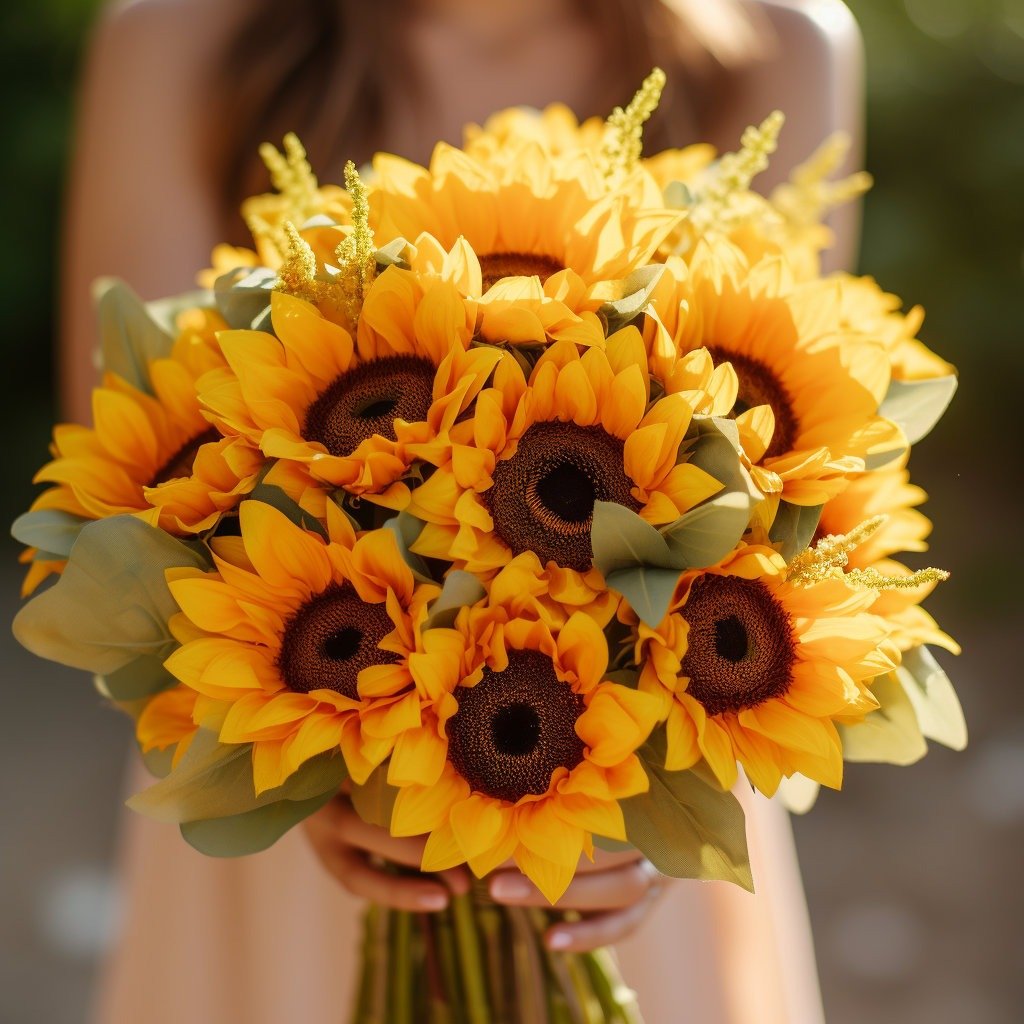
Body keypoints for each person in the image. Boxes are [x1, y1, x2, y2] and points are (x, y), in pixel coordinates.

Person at [63, 1, 864, 1020]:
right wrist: (310, 780)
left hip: (618, 821)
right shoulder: (175, 38)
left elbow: (782, 482)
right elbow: (138, 495)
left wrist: (668, 809)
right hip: (291, 752)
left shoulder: (779, 43)